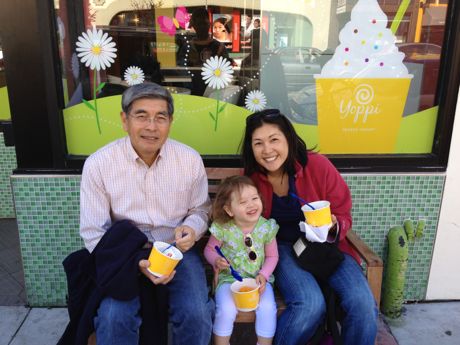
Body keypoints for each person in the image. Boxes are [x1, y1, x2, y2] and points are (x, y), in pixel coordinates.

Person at [79, 82, 214, 345]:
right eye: (141, 116)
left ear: (170, 122)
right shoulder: (99, 164)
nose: (151, 126)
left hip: (177, 251)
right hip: (125, 254)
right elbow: (93, 232)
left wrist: (192, 229)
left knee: (196, 314)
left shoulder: (188, 159)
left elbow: (200, 209)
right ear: (124, 120)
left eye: (160, 117)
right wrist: (136, 263)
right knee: (113, 318)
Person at [240, 109, 378, 345]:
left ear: (288, 140)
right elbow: (242, 222)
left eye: (274, 140)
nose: (267, 150)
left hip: (324, 246)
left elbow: (343, 211)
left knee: (362, 304)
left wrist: (334, 225)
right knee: (310, 304)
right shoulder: (252, 178)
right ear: (251, 148)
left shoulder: (317, 165)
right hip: (280, 248)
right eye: (258, 143)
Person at [204, 175, 279, 345]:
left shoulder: (266, 228)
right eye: (243, 202)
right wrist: (216, 260)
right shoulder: (223, 228)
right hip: (229, 280)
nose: (251, 204)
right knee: (226, 310)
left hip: (258, 281)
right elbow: (209, 250)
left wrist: (264, 274)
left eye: (254, 198)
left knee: (268, 309)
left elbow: (273, 256)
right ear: (229, 210)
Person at [182, 7, 230, 96]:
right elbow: (179, 71)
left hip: (213, 93)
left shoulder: (219, 47)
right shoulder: (187, 47)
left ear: (209, 24)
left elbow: (226, 73)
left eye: (203, 23)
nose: (201, 27)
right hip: (191, 93)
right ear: (194, 25)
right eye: (199, 23)